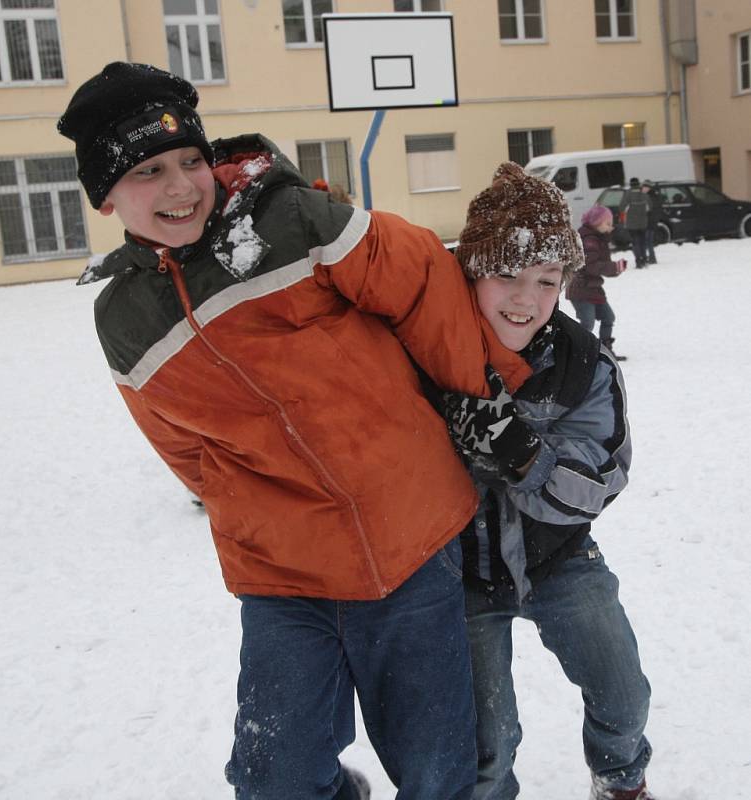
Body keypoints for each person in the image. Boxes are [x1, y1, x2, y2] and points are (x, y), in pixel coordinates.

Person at [57, 62, 532, 800]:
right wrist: (249, 506)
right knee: (273, 777)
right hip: (283, 571)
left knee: (439, 767)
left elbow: (423, 285)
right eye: (149, 172)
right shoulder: (122, 317)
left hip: (408, 533)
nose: (182, 187)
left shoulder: (291, 221)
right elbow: (179, 442)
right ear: (107, 195)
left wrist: (479, 397)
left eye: (190, 161)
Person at [441, 162, 654, 800]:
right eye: (505, 274)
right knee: (486, 736)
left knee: (623, 692)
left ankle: (619, 780)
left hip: (559, 555)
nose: (524, 298)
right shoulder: (427, 354)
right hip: (460, 576)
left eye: (545, 279)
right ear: (471, 271)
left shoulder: (582, 365)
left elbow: (603, 478)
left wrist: (525, 455)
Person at [566, 204, 627, 360]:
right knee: (587, 323)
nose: (610, 227)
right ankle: (575, 352)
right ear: (596, 222)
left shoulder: (599, 239)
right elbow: (591, 266)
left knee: (608, 318)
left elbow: (601, 267)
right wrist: (613, 267)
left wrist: (616, 269)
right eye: (607, 223)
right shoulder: (589, 240)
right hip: (580, 288)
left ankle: (605, 350)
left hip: (593, 288)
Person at [620, 177, 651, 267]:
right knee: (642, 241)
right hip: (643, 223)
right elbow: (649, 207)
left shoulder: (627, 194)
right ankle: (644, 259)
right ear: (638, 184)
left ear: (630, 184)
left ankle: (638, 261)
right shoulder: (644, 194)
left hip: (631, 224)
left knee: (635, 242)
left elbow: (622, 207)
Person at [641, 180, 662, 265]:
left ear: (649, 188)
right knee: (647, 241)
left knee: (648, 241)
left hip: (650, 222)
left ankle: (652, 259)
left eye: (646, 187)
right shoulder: (647, 196)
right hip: (646, 222)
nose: (644, 188)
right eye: (643, 187)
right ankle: (650, 258)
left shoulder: (651, 197)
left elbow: (651, 211)